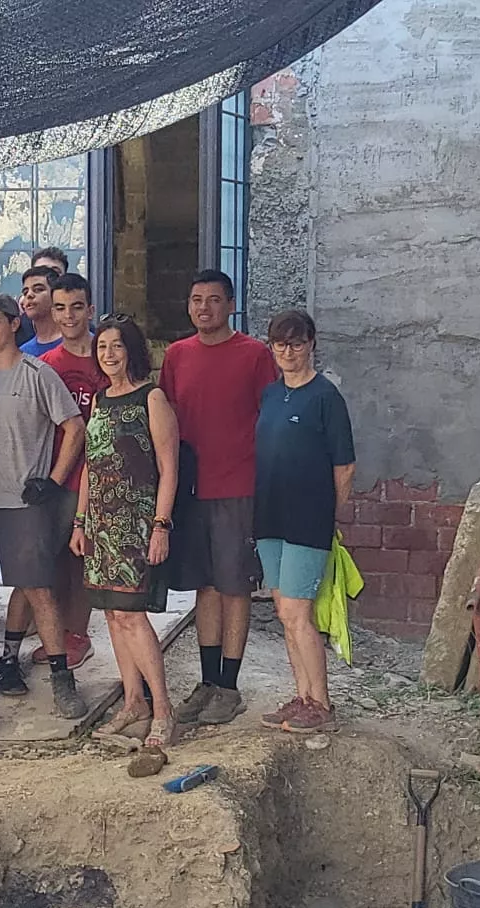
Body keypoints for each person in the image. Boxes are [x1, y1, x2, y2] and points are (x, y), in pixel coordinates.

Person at [159, 269, 278, 727]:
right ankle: (208, 681)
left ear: (230, 304)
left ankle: (230, 685)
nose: (203, 307)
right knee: (204, 586)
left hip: (238, 487)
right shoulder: (177, 355)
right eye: (196, 299)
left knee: (234, 587)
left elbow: (268, 420)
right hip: (191, 489)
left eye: (213, 299)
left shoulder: (254, 355)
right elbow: (168, 417)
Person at [0, 294, 86, 718]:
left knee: (38, 590)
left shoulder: (39, 373)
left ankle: (62, 678)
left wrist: (53, 481)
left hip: (24, 502)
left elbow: (74, 427)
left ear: (15, 324)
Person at [70, 316, 179, 752]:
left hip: (136, 524)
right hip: (101, 525)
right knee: (112, 616)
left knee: (133, 615)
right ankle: (133, 702)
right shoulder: (100, 399)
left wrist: (161, 525)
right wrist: (80, 522)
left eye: (116, 346)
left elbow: (169, 469)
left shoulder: (152, 398)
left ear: (132, 350)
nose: (108, 354)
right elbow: (90, 464)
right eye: (102, 347)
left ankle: (163, 710)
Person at [254, 310, 356, 735]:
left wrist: (328, 515)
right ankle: (301, 696)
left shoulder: (326, 397)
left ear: (311, 344)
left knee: (299, 613)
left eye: (296, 343)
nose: (288, 351)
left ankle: (322, 704)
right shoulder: (271, 394)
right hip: (269, 516)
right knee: (283, 612)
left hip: (307, 520)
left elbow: (345, 467)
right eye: (280, 344)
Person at [31, 272, 110, 668]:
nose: (68, 316)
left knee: (83, 556)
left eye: (76, 307)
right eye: (60, 308)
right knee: (56, 557)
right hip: (56, 473)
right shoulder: (46, 363)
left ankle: (78, 634)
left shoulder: (107, 355)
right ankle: (57, 632)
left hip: (96, 475)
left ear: (90, 310)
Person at [17, 264, 64, 357]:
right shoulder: (23, 353)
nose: (29, 295)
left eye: (38, 289)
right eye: (25, 292)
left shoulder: (81, 342)